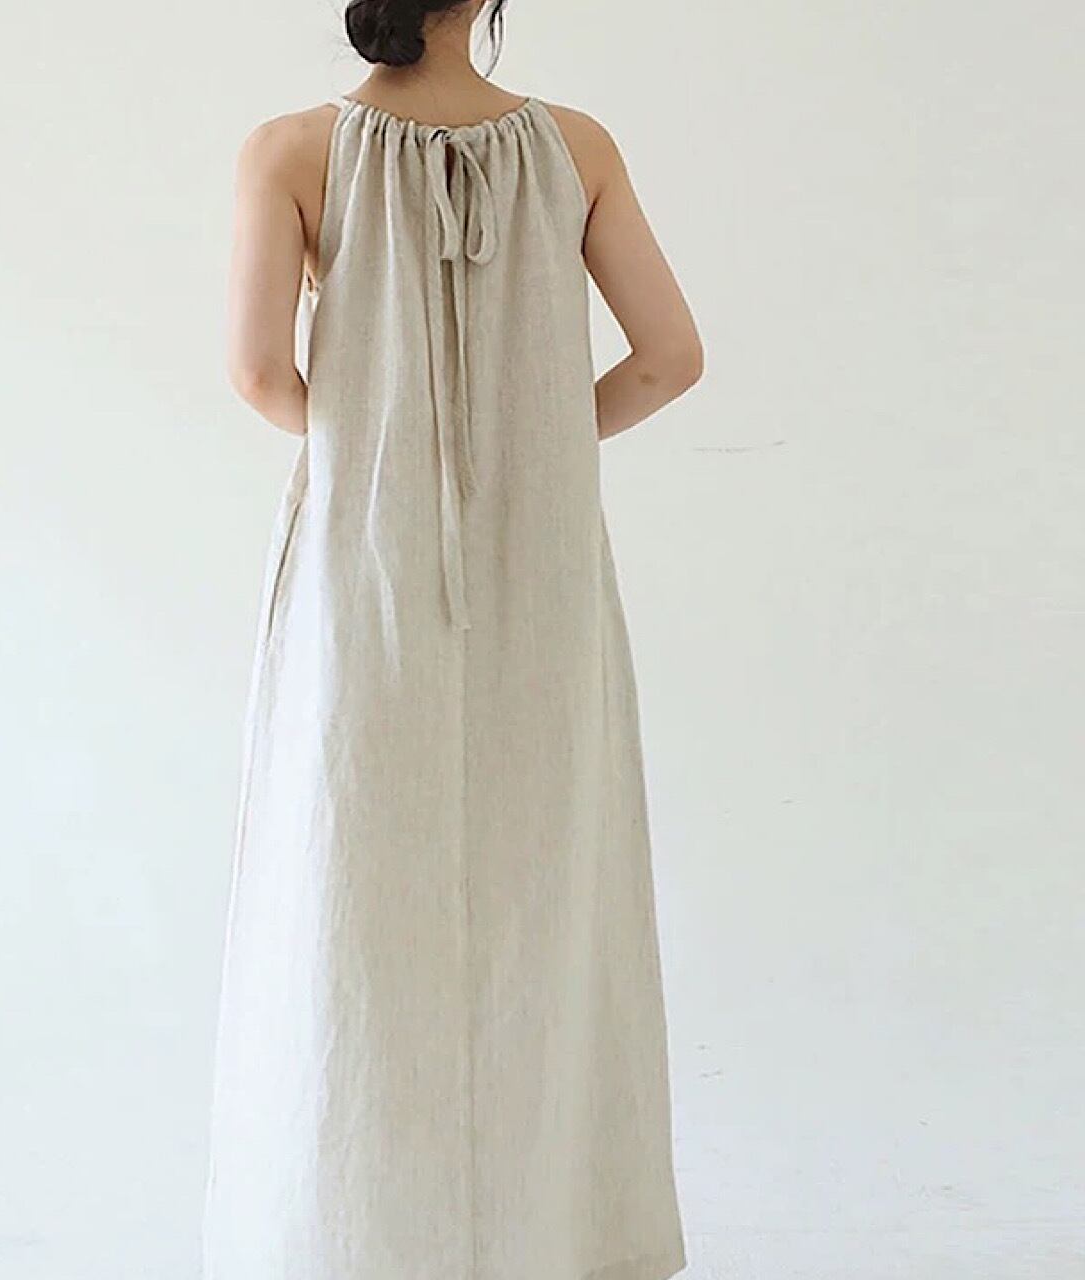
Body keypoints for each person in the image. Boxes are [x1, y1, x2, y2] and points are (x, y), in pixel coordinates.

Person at [204, 2, 702, 1277]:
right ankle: (560, 1233)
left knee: (346, 885)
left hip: (363, 559)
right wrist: (528, 440)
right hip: (541, 560)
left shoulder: (288, 150)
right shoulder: (576, 147)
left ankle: (352, 1234)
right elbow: (667, 357)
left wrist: (391, 441)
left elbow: (258, 373)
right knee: (551, 884)